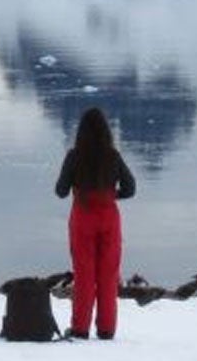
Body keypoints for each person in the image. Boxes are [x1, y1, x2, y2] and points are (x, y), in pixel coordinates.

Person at [54, 106, 136, 340]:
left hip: (82, 218)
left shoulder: (74, 156)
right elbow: (131, 188)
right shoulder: (113, 156)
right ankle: (107, 329)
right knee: (108, 275)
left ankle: (80, 328)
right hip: (109, 218)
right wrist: (111, 196)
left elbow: (60, 191)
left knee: (84, 275)